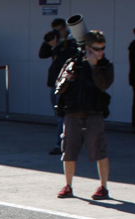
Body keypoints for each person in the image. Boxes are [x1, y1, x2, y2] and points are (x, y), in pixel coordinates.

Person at [54, 30, 113, 201]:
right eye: (97, 49)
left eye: (102, 49)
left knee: (99, 149)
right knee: (69, 150)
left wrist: (94, 67)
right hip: (73, 112)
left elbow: (103, 85)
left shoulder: (105, 65)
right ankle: (68, 185)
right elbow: (59, 86)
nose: (101, 52)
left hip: (94, 113)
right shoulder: (73, 62)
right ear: (88, 48)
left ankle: (103, 186)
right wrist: (68, 78)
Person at [39, 18, 77, 155]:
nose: (58, 32)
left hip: (66, 84)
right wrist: (49, 42)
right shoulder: (55, 42)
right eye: (55, 29)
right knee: (58, 116)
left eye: (59, 29)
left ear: (65, 28)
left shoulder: (72, 42)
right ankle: (63, 142)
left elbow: (66, 60)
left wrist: (56, 47)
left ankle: (61, 144)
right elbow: (42, 55)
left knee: (64, 116)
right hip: (54, 82)